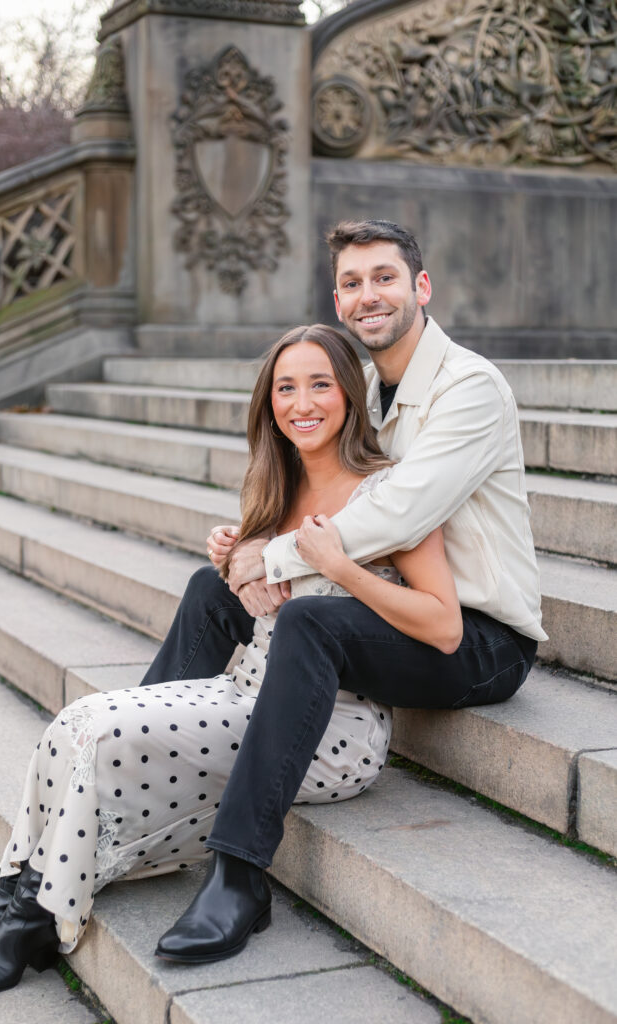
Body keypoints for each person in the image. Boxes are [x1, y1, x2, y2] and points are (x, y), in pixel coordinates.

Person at [0, 323, 465, 996]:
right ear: (267, 402)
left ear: (350, 395)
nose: (301, 402)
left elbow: (442, 624)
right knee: (81, 721)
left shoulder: (386, 491)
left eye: (319, 384)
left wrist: (341, 567)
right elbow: (262, 602)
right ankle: (17, 906)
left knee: (102, 730)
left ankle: (35, 919)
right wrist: (237, 561)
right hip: (243, 693)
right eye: (285, 387)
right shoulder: (275, 485)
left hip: (329, 730)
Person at [154, 219, 546, 964]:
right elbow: (323, 492)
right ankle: (137, 761)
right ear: (338, 301)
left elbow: (400, 512)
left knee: (306, 621)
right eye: (353, 283)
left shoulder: (469, 388)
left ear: (420, 287)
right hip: (380, 596)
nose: (370, 295)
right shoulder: (356, 382)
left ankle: (238, 874)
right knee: (211, 590)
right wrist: (243, 544)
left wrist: (269, 559)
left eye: (385, 277)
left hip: (476, 636)